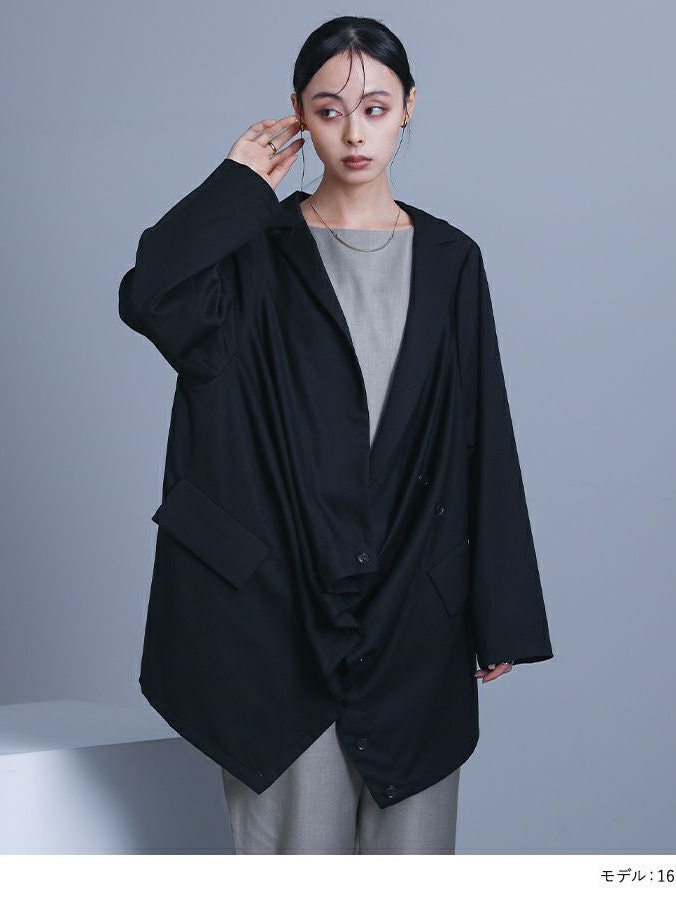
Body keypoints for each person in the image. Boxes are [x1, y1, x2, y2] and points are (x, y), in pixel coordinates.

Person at [119, 15, 553, 854]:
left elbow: (483, 432)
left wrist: (498, 607)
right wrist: (235, 188)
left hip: (413, 614)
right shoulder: (250, 254)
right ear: (298, 114)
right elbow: (149, 298)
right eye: (328, 110)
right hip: (274, 618)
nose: (354, 133)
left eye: (376, 108)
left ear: (409, 107)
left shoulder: (452, 260)